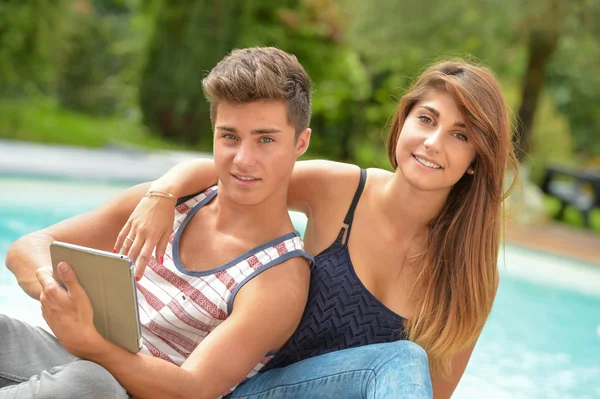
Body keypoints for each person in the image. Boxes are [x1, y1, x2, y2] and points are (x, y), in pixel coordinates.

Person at [117, 59, 519, 399]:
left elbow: (427, 391)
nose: (432, 142)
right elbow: (239, 172)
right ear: (403, 122)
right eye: (426, 119)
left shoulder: (471, 273)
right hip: (255, 392)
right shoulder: (342, 190)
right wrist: (163, 193)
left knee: (406, 364)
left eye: (459, 135)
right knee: (403, 356)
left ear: (474, 160)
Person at [2, 47, 317, 399]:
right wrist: (54, 289)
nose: (243, 159)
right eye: (230, 136)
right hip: (74, 356)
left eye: (266, 140)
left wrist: (91, 344)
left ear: (300, 142)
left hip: (126, 389)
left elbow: (191, 389)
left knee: (91, 384)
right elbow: (26, 247)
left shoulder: (280, 276)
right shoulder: (170, 202)